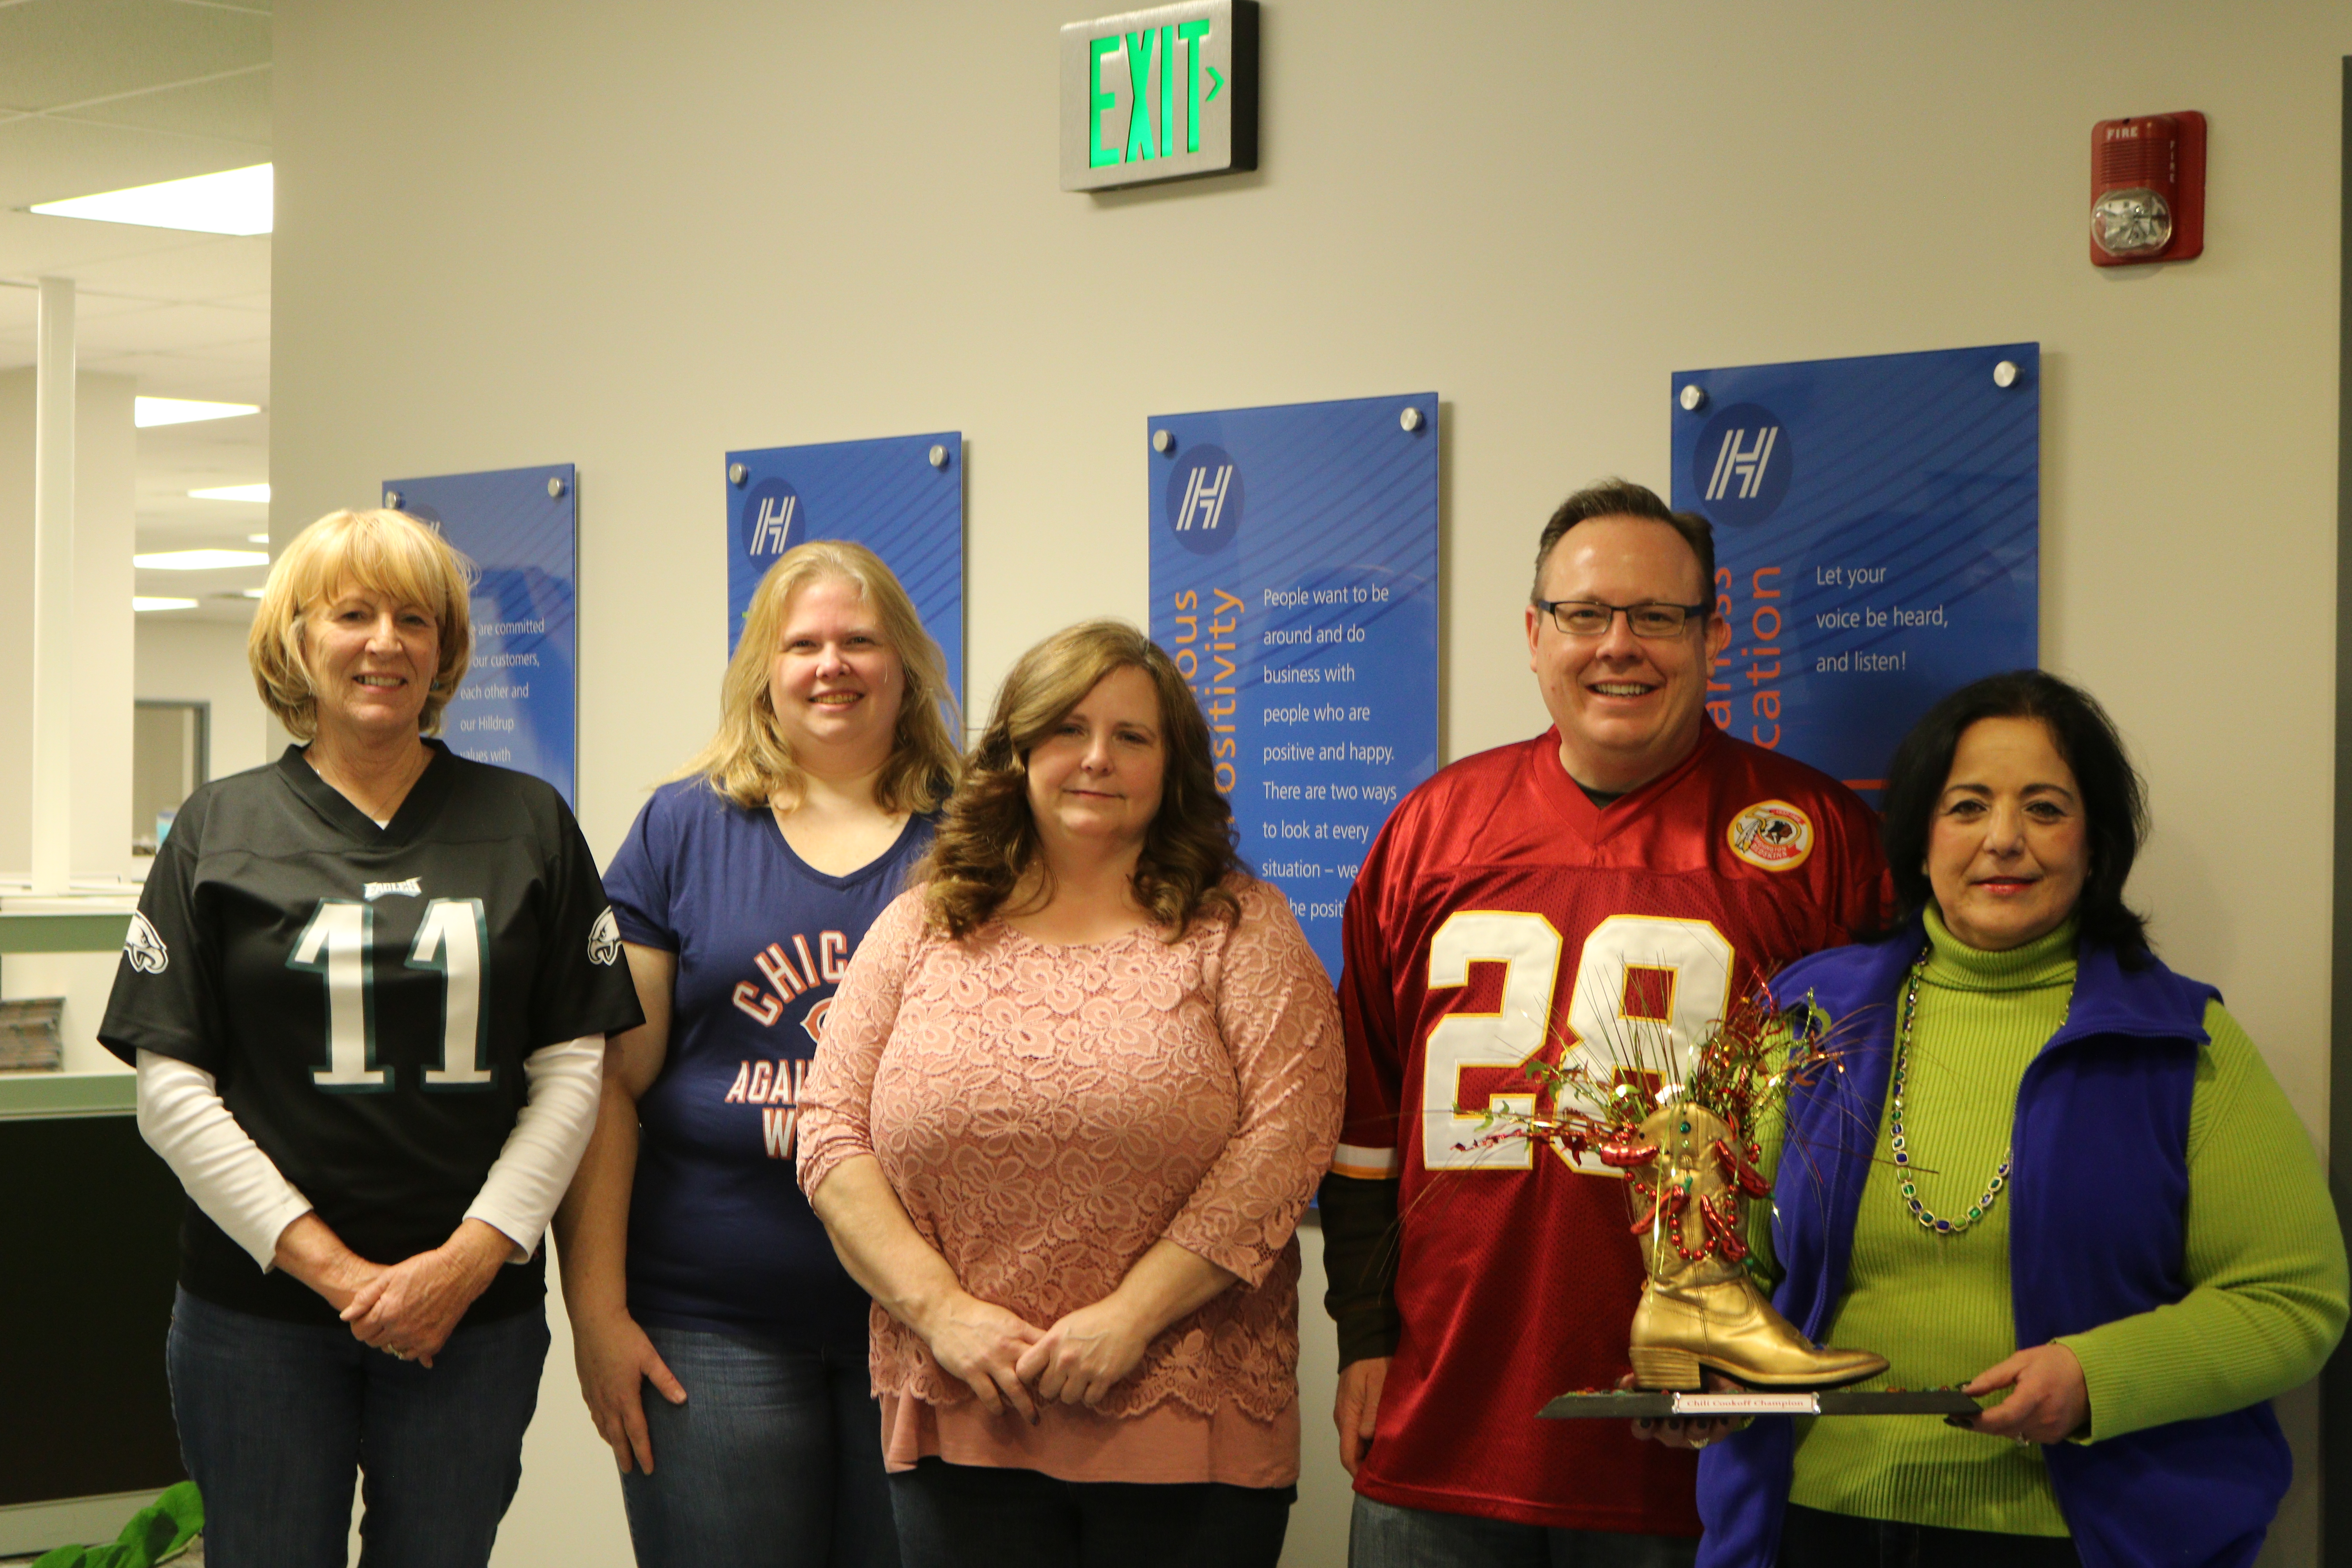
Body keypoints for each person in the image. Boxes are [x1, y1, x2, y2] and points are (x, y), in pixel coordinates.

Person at [1319, 478, 1891, 1564]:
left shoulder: (1817, 838)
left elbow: (1858, 1149)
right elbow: (1366, 1124)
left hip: (1693, 1440)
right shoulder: (1432, 829)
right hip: (1443, 1421)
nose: (1618, 647)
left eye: (1657, 617)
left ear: (1714, 635)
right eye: (1585, 616)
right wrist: (1364, 1337)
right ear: (1535, 636)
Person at [1683, 671, 2348, 1568]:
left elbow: (2293, 1298)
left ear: (2096, 845)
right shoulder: (1810, 1021)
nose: (2004, 839)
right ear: (1921, 840)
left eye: (2044, 807)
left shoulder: (2183, 1043)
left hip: (2076, 1538)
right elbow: (1731, 1262)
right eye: (1967, 806)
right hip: (1814, 1521)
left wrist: (2095, 1378)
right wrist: (1700, 1361)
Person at [99, 507, 644, 1567]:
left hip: (472, 1319)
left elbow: (575, 1071)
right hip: (254, 1318)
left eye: (415, 619)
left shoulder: (528, 821)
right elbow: (171, 1091)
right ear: (298, 639)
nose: (386, 642)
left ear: (446, 651)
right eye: (353, 614)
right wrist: (343, 1276)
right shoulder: (218, 827)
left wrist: (463, 1265)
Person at [796, 620, 1344, 1568]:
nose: (1096, 758)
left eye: (1132, 736)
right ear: (1017, 751)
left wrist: (1130, 1315)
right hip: (963, 1411)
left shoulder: (1239, 925)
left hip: (1187, 1421)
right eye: (1066, 729)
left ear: (1173, 765)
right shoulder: (926, 920)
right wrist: (943, 1312)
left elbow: (1287, 1140)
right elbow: (831, 1134)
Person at [552, 540, 960, 1568]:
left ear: (903, 663)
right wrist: (597, 1314)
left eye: (860, 642)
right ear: (763, 672)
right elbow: (614, 1085)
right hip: (709, 1322)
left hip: (924, 1322)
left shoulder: (977, 834)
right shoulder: (684, 828)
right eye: (805, 644)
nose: (833, 665)